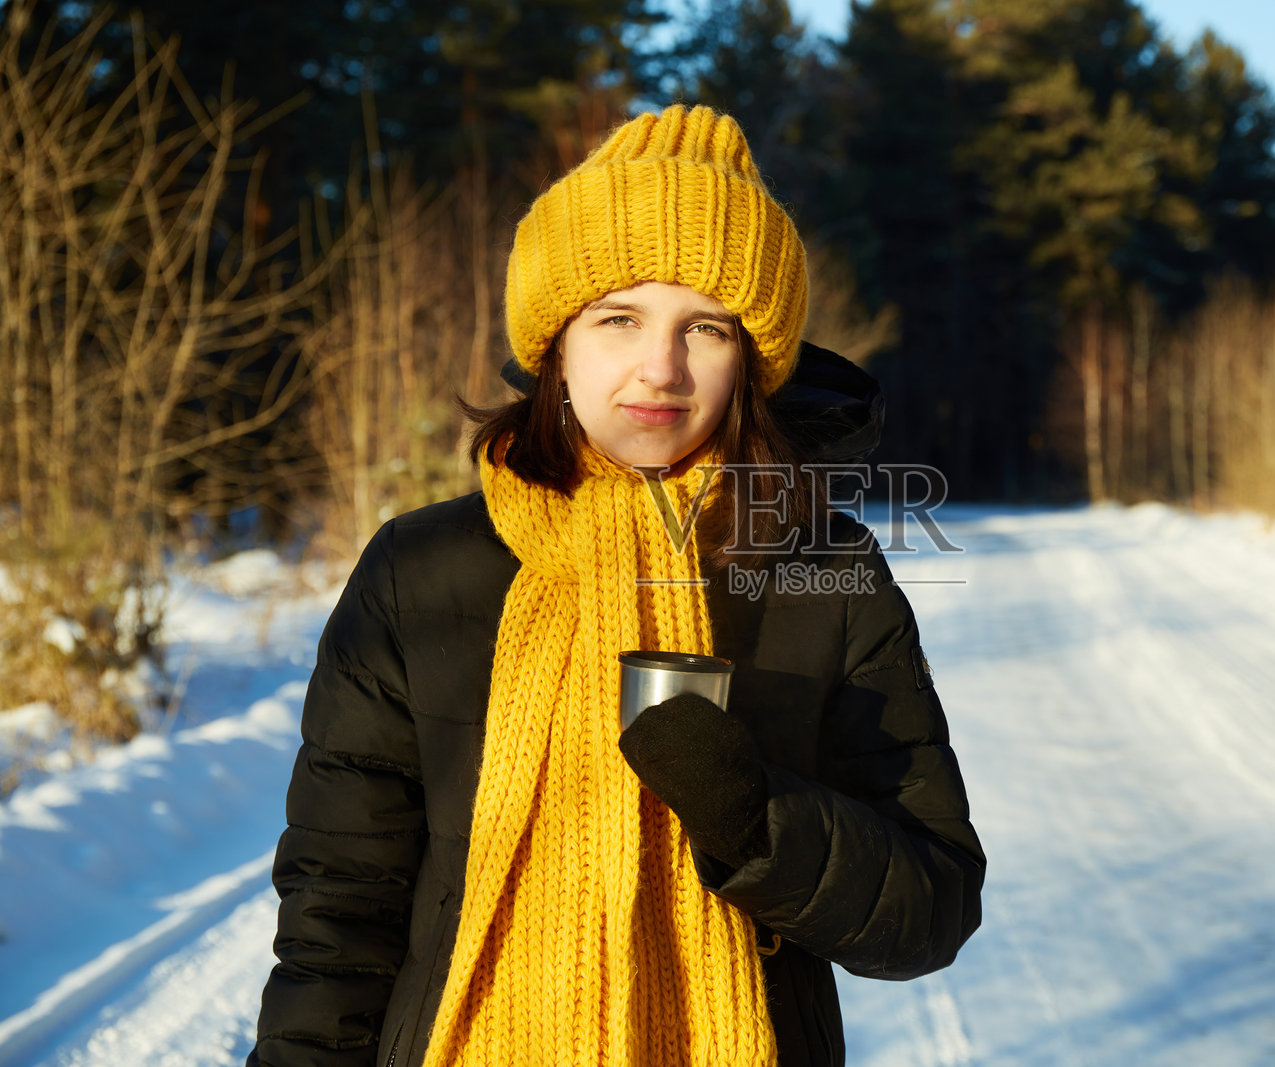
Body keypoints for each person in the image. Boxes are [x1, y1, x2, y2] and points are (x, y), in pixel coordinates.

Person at [248, 104, 984, 1067]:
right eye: (620, 317)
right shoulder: (419, 571)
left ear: (752, 364)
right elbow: (336, 914)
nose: (661, 367)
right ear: (557, 341)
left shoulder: (823, 573)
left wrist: (756, 822)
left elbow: (931, 907)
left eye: (707, 328)